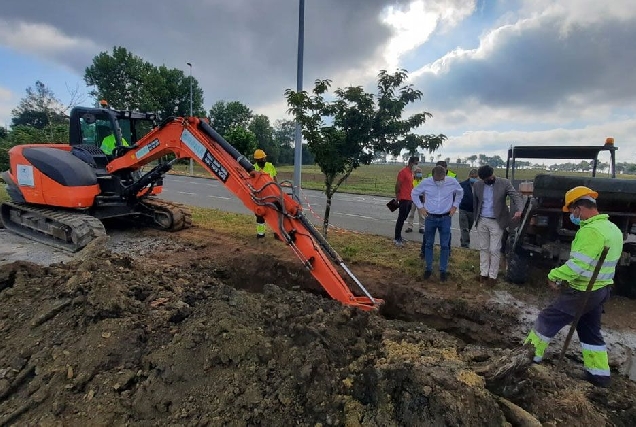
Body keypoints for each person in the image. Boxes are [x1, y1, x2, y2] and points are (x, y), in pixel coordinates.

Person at [525, 186, 622, 388]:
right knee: (589, 331)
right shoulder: (612, 228)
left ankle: (527, 359)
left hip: (583, 291)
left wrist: (554, 275)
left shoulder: (591, 231)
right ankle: (599, 375)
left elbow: (577, 266)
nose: (572, 216)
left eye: (572, 211)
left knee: (546, 319)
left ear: (579, 208)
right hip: (601, 290)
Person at [412, 165, 463, 282]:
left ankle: (443, 270)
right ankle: (428, 268)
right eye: (437, 179)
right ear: (433, 175)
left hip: (445, 217)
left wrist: (455, 206)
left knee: (445, 245)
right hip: (430, 217)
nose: (439, 181)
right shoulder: (426, 182)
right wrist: (420, 207)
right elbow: (414, 193)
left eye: (441, 179)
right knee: (428, 243)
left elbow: (460, 192)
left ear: (445, 176)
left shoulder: (452, 181)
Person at [473, 165, 523, 283]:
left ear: (492, 174)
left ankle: (493, 276)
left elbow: (516, 197)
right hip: (482, 220)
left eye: (488, 178)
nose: (486, 180)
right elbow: (476, 202)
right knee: (483, 247)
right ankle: (483, 274)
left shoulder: (504, 183)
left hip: (497, 221)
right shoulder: (477, 185)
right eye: (484, 179)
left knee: (494, 249)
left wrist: (520, 210)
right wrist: (476, 219)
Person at [394, 156, 419, 247]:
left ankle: (399, 236)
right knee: (401, 218)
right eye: (416, 163)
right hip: (403, 198)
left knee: (404, 217)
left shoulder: (411, 173)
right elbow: (398, 185)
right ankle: (397, 238)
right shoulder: (403, 172)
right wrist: (397, 196)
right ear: (411, 163)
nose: (417, 166)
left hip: (410, 198)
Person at [253, 149, 277, 238]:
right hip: (260, 196)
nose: (262, 161)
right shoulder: (253, 168)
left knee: (275, 215)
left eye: (263, 159)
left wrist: (278, 191)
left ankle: (277, 233)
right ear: (256, 160)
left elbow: (275, 179)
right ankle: (260, 234)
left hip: (272, 195)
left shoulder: (270, 166)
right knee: (260, 214)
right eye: (259, 160)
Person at [458, 169, 479, 248]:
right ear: (469, 176)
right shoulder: (463, 184)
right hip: (463, 209)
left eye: (475, 177)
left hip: (473, 210)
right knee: (464, 228)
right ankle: (465, 244)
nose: (474, 178)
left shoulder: (479, 185)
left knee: (468, 228)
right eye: (472, 176)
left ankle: (463, 240)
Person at [405, 166, 425, 234]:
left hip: (420, 199)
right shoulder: (412, 180)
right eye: (418, 172)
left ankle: (421, 227)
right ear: (414, 173)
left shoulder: (423, 181)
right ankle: (410, 227)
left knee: (421, 215)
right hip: (412, 199)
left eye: (420, 172)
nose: (419, 174)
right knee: (411, 214)